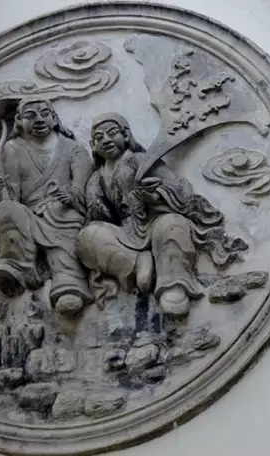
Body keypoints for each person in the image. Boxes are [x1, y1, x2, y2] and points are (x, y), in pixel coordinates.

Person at [76, 113, 246, 317]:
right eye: (99, 137)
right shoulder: (96, 178)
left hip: (155, 220)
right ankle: (136, 264)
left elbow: (180, 188)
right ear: (94, 146)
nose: (106, 140)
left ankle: (173, 284)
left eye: (112, 133)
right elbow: (97, 213)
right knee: (87, 236)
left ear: (126, 135)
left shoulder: (141, 160)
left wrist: (155, 195)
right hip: (124, 233)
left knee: (172, 225)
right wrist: (99, 210)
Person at [0, 98, 93, 316]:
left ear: (54, 118)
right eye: (31, 115)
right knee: (6, 210)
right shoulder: (12, 149)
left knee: (62, 216)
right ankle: (17, 266)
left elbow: (81, 185)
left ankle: (68, 281)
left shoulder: (73, 149)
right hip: (29, 213)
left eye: (45, 114)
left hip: (62, 211)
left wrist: (71, 195)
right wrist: (2, 190)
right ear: (19, 121)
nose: (39, 119)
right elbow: (14, 195)